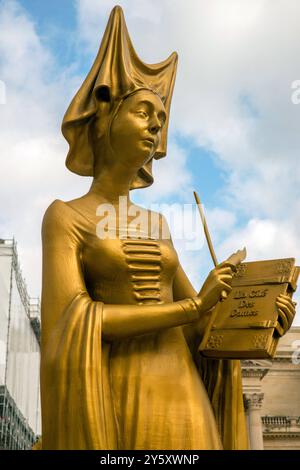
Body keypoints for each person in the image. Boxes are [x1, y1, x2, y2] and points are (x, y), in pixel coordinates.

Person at [40, 6, 295, 450]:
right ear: (104, 121)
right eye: (143, 112)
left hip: (182, 392)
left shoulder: (158, 225)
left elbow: (200, 331)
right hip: (119, 395)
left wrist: (251, 317)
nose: (155, 127)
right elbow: (70, 324)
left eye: (159, 120)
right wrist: (193, 308)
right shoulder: (65, 216)